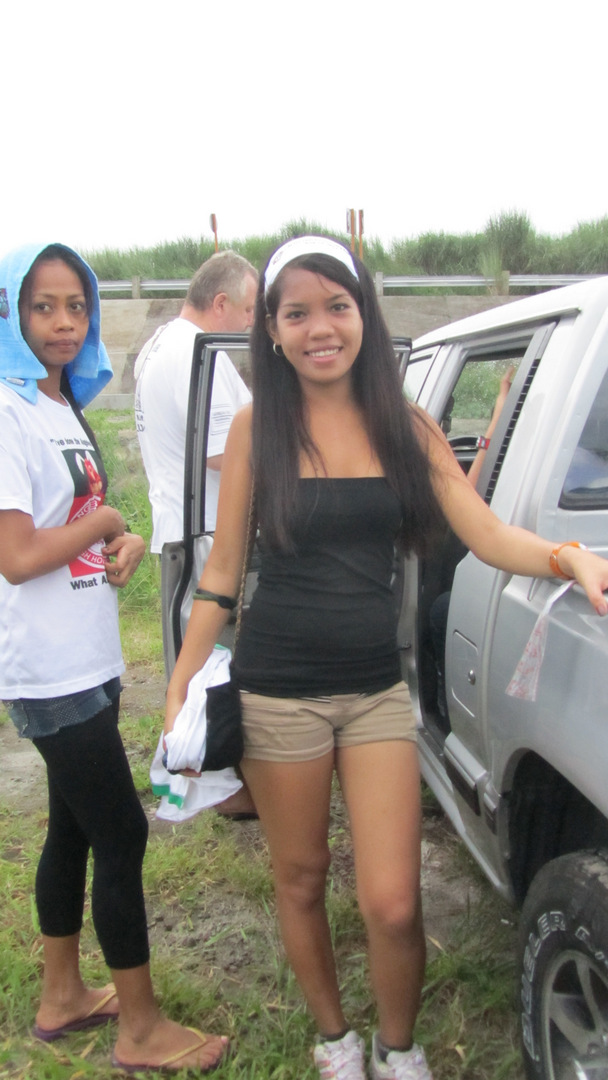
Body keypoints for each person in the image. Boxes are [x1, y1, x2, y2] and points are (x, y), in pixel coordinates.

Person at [163, 236, 608, 1080]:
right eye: (298, 313)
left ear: (364, 313)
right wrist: (184, 678)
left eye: (338, 306)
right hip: (277, 693)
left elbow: (486, 532)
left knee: (395, 903)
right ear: (272, 329)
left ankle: (398, 1047)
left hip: (373, 693)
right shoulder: (259, 427)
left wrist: (569, 557)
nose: (320, 328)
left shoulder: (405, 425)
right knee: (301, 878)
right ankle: (335, 1038)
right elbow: (221, 573)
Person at [0, 243, 228, 1075]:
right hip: (46, 668)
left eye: (76, 306)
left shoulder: (60, 405)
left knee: (72, 826)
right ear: (10, 315)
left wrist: (117, 540)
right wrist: (102, 525)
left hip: (87, 653)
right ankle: (140, 1029)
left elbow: (75, 520)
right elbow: (17, 556)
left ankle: (62, 996)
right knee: (123, 831)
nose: (64, 323)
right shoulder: (6, 410)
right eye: (43, 306)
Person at [134, 249, 257, 546]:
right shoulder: (202, 353)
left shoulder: (159, 343)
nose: (250, 321)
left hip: (179, 530)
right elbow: (221, 452)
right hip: (208, 536)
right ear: (221, 303)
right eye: (248, 309)